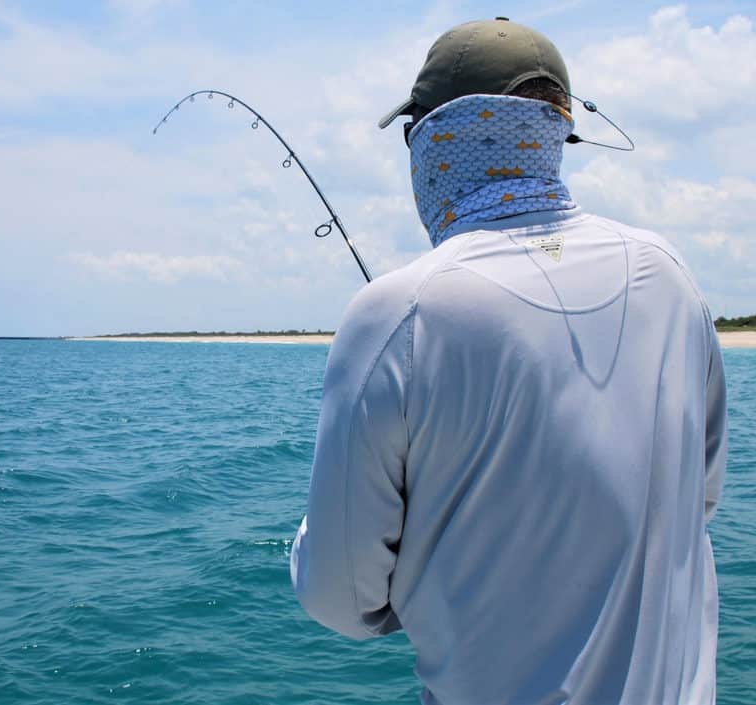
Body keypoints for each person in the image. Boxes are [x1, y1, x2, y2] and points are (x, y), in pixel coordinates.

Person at [289, 17, 728, 705]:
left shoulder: (394, 315)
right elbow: (698, 498)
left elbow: (341, 599)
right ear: (555, 133)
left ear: (433, 142)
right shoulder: (669, 275)